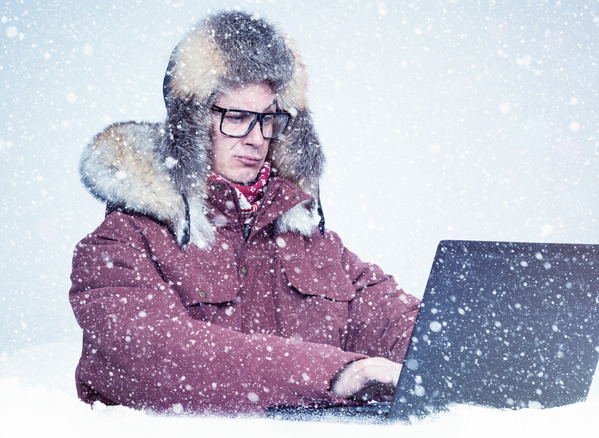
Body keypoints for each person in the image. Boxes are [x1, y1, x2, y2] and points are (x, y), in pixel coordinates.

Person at [69, 11, 420, 415]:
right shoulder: (119, 245)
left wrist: (466, 351)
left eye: (267, 119)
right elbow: (159, 359)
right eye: (236, 118)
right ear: (193, 123)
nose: (256, 139)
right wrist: (336, 373)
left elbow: (399, 324)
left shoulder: (314, 247)